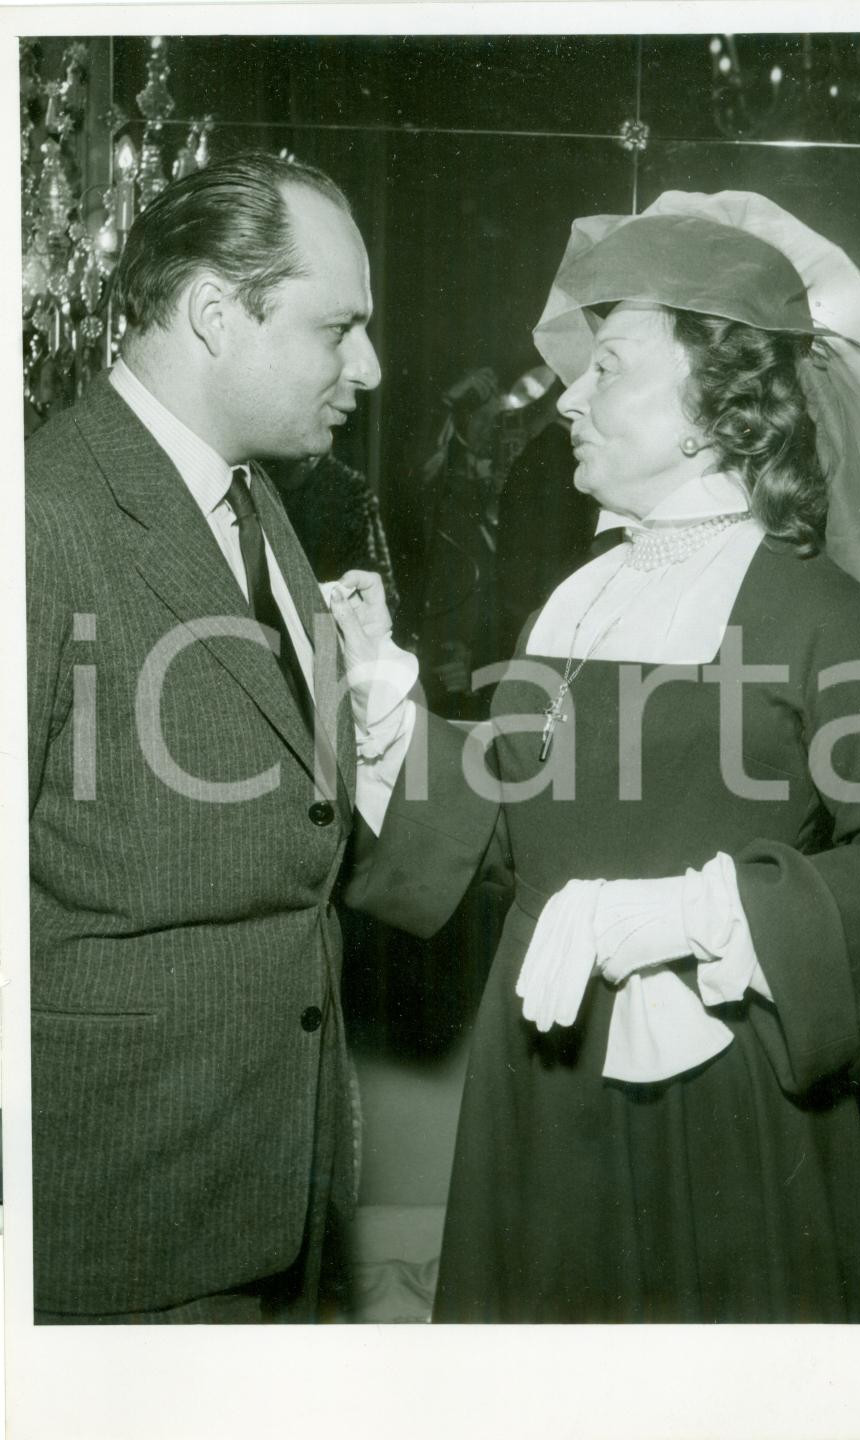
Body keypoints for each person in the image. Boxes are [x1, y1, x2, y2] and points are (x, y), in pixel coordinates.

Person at [340, 190, 860, 1322]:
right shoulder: (575, 599)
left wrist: (694, 915)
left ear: (710, 407)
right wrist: (391, 714)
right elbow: (507, 832)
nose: (569, 398)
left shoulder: (825, 619)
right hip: (535, 1081)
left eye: (610, 368)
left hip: (714, 1099)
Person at [26, 151, 402, 1323]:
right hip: (117, 1217)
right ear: (211, 312)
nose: (369, 367)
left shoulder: (254, 498)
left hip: (265, 1188)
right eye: (337, 327)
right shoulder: (41, 519)